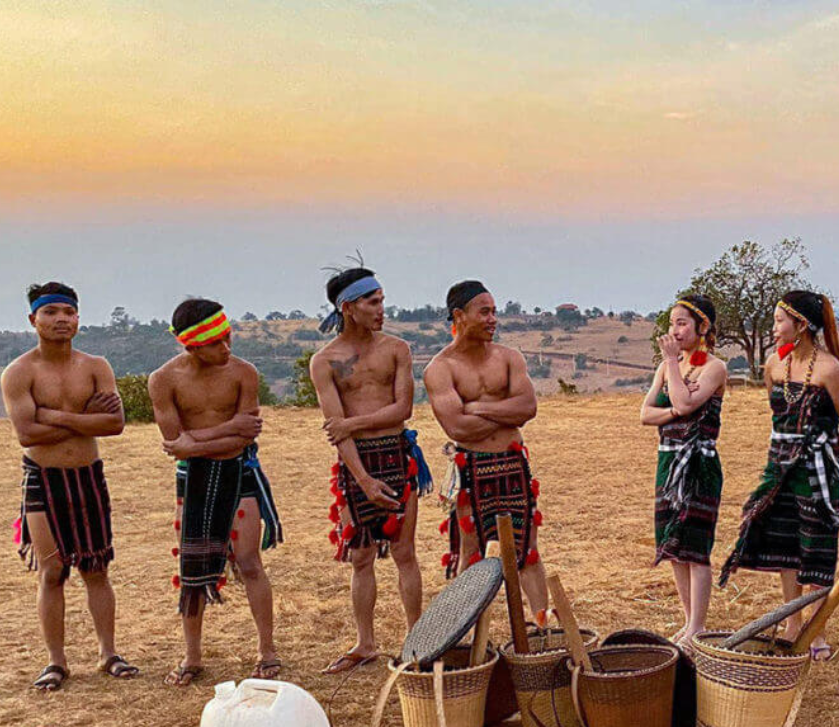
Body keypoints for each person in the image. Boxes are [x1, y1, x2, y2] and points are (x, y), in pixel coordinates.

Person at [3, 282, 135, 691]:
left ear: (78, 319)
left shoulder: (96, 366)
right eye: (51, 312)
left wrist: (55, 416)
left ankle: (108, 653)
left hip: (87, 476)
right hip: (42, 480)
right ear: (33, 320)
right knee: (53, 570)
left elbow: (114, 423)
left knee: (96, 567)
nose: (61, 319)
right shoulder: (19, 373)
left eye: (68, 312)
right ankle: (56, 662)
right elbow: (27, 433)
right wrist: (82, 416)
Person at [722, 290, 839, 661]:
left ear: (801, 325)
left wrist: (826, 460)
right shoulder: (773, 366)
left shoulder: (831, 370)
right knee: (786, 546)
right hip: (778, 467)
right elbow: (778, 416)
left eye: (779, 321)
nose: (773, 328)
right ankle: (791, 621)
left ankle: (816, 629)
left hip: (815, 473)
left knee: (815, 548)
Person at [149, 299, 285, 686]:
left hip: (237, 471)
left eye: (227, 338)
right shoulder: (164, 380)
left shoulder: (244, 373)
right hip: (192, 478)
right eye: (215, 344)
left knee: (249, 561)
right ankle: (191, 656)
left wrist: (196, 441)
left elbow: (242, 437)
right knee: (192, 570)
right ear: (190, 345)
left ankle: (267, 650)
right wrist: (207, 438)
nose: (226, 349)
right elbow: (174, 441)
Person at [311, 265, 431, 675]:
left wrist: (352, 423)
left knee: (404, 552)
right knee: (360, 556)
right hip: (356, 463)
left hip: (397, 455)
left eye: (382, 299)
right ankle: (365, 643)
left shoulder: (396, 349)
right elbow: (335, 429)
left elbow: (403, 409)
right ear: (349, 308)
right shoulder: (325, 361)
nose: (382, 308)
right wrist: (361, 478)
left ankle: (416, 639)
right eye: (372, 302)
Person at [424, 280, 546, 620]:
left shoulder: (509, 358)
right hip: (472, 467)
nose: (493, 319)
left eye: (495, 312)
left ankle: (543, 632)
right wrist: (506, 415)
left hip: (512, 463)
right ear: (459, 316)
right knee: (471, 553)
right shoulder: (440, 368)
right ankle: (465, 634)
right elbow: (457, 428)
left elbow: (528, 407)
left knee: (528, 552)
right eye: (485, 312)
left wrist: (477, 407)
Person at [641, 294, 727, 651]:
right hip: (668, 460)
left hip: (698, 464)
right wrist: (677, 412)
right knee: (673, 546)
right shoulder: (667, 368)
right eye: (671, 323)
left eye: (682, 323)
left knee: (694, 546)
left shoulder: (714, 368)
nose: (674, 330)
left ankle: (698, 626)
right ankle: (687, 619)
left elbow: (681, 400)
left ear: (702, 327)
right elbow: (646, 413)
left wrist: (673, 369)